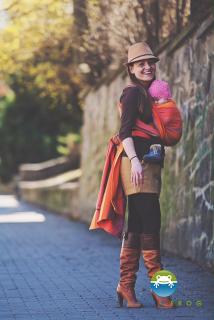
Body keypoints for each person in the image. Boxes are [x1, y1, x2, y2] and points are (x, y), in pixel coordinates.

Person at [116, 42, 175, 309]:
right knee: (152, 222)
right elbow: (125, 132)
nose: (147, 66)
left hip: (146, 165)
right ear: (131, 68)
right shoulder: (132, 94)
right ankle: (159, 289)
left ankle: (126, 287)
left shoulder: (146, 93)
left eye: (150, 62)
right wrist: (136, 162)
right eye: (141, 63)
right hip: (138, 166)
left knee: (138, 227)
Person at [143, 79, 173, 164]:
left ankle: (156, 152)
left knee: (154, 131)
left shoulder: (168, 106)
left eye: (157, 99)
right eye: (154, 100)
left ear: (165, 96)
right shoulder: (163, 105)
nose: (155, 102)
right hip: (166, 132)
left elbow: (167, 119)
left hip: (169, 133)